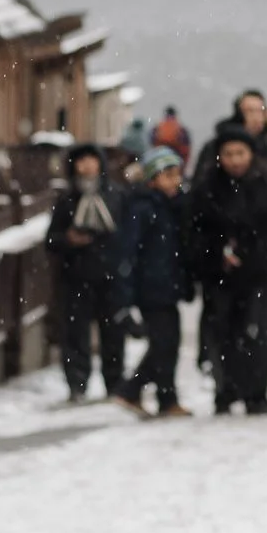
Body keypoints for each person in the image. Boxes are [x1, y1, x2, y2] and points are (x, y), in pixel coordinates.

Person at [190, 131, 267, 414]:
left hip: (259, 272)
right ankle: (226, 389)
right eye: (229, 154)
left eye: (240, 153)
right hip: (219, 274)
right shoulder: (208, 188)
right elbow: (195, 230)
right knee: (222, 332)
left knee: (256, 331)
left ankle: (256, 392)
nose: (235, 161)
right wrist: (216, 253)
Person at [118, 148, 197, 415]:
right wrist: (127, 291)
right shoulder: (143, 208)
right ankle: (134, 390)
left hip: (167, 285)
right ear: (153, 179)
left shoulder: (172, 206)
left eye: (177, 174)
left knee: (168, 343)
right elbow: (128, 251)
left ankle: (162, 397)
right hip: (151, 288)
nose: (175, 181)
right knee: (163, 343)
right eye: (167, 175)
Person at [47, 145, 128, 400]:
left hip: (111, 275)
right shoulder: (67, 199)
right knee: (75, 333)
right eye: (81, 161)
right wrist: (69, 240)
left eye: (92, 160)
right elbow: (51, 240)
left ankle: (114, 384)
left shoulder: (116, 195)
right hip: (76, 276)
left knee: (113, 333)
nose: (87, 167)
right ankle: (77, 384)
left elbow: (128, 233)